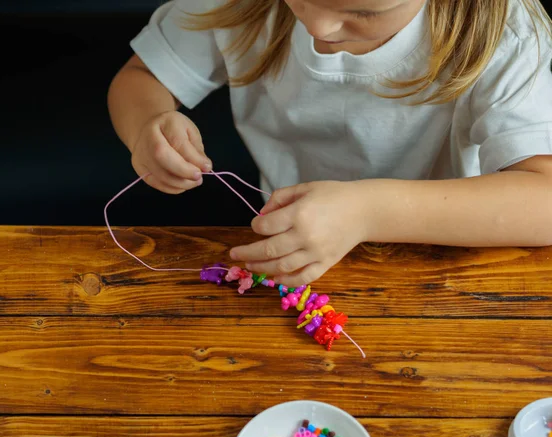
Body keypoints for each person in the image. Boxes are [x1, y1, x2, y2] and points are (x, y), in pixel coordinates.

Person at [107, 0, 552, 286]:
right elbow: (140, 77)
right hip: (290, 245)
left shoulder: (506, 33)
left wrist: (367, 212)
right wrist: (146, 124)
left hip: (445, 258)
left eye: (366, 12)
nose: (319, 25)